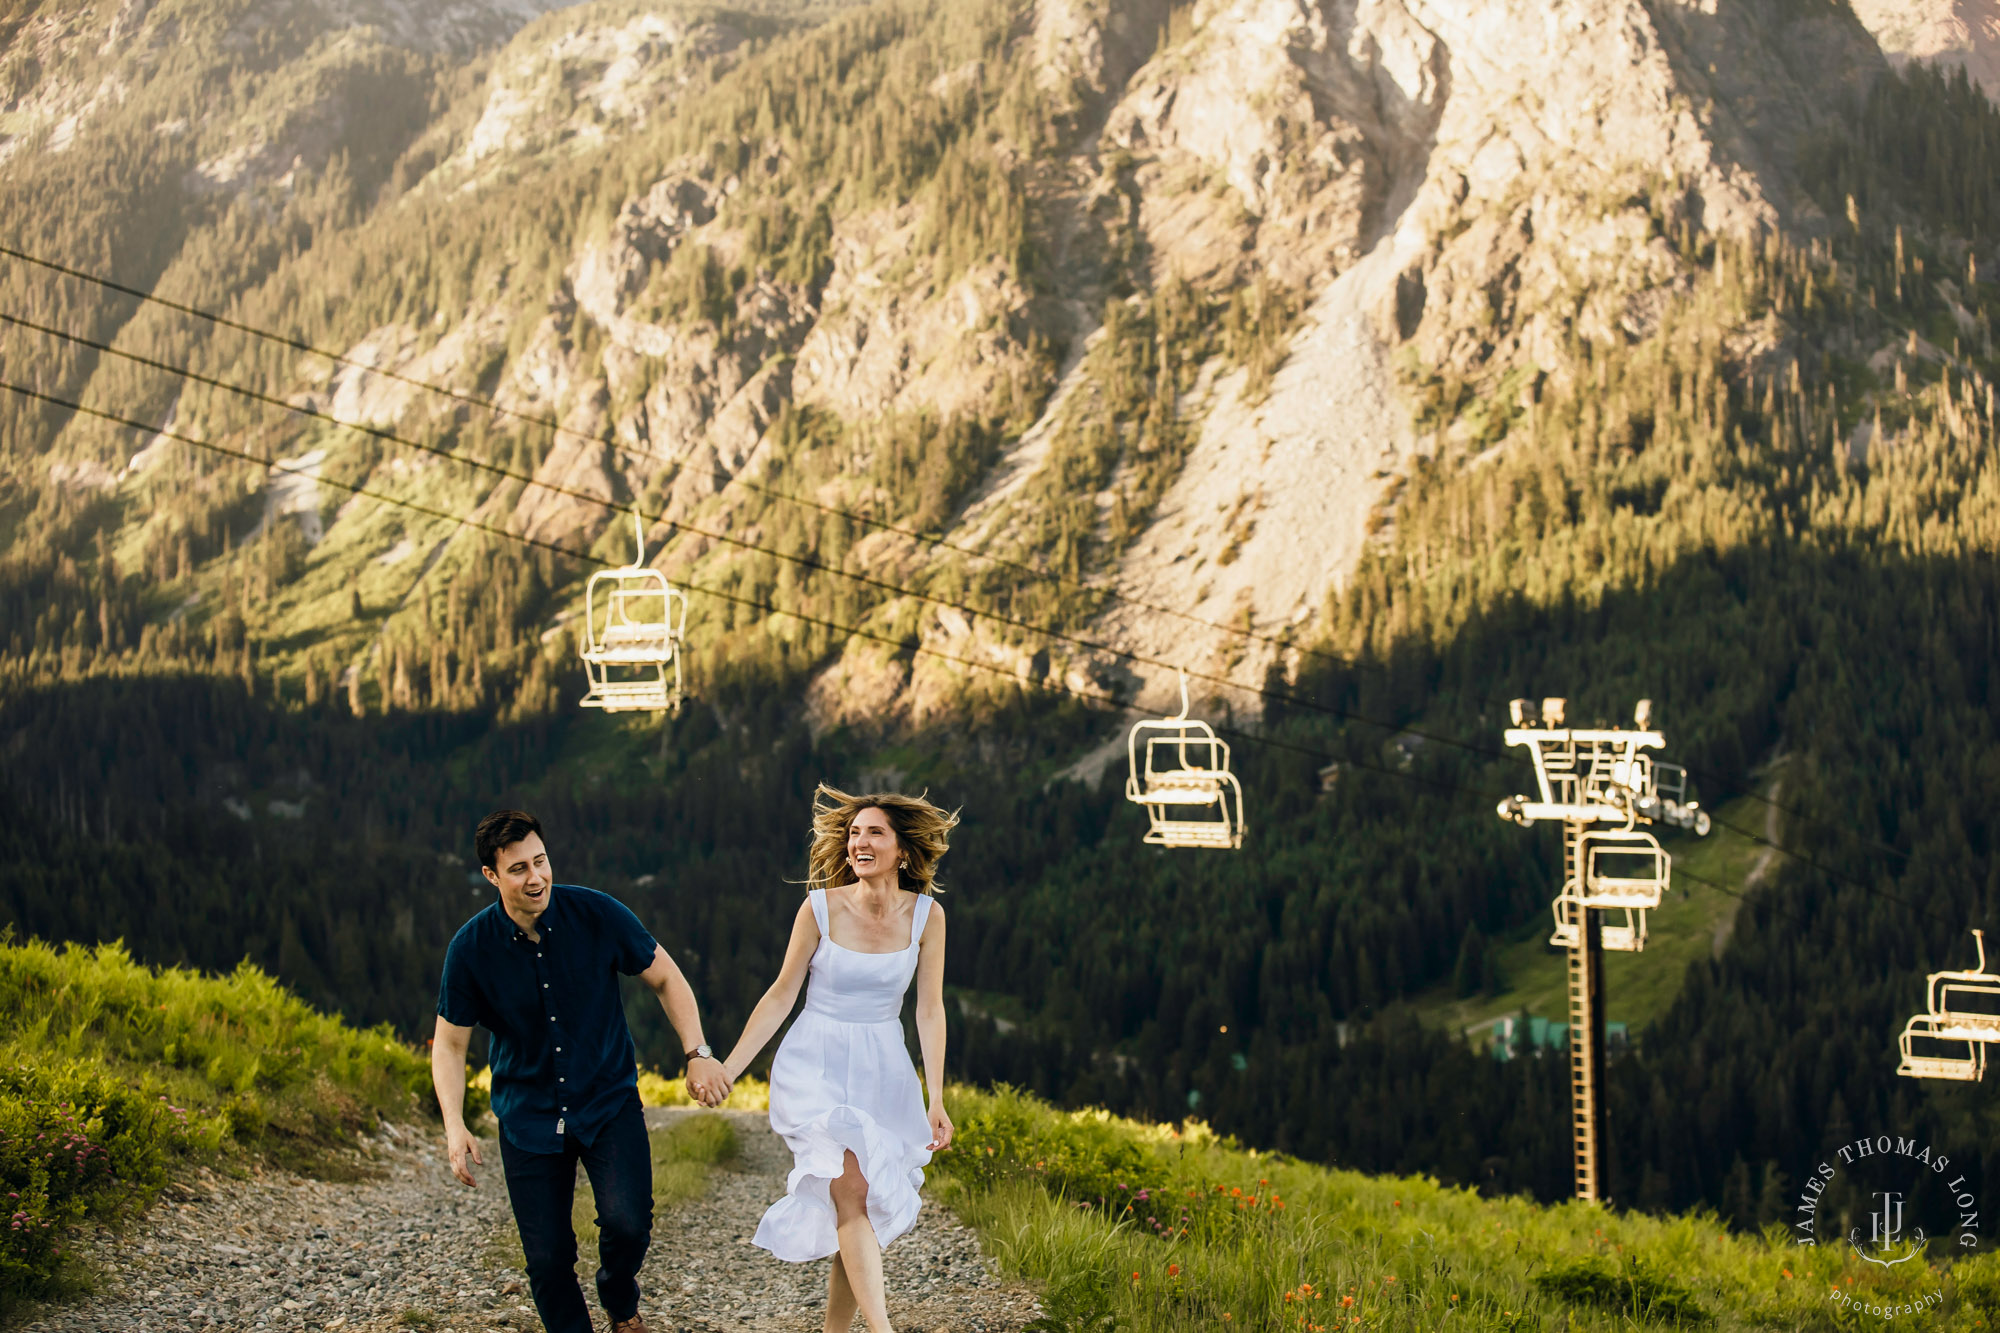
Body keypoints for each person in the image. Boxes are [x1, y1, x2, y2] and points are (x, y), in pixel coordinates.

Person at [430, 810, 731, 1333]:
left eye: (541, 861)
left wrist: (696, 1052)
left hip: (608, 1102)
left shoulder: (597, 913)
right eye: (519, 868)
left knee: (628, 1223)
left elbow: (667, 977)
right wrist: (455, 1125)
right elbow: (451, 1045)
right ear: (491, 876)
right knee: (547, 1261)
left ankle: (618, 1297)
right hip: (527, 1117)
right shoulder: (471, 949)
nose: (536, 877)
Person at [719, 785, 957, 1333]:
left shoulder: (928, 917)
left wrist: (936, 1098)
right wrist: (731, 1068)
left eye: (875, 832)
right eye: (854, 833)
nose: (860, 842)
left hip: (884, 1067)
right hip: (817, 1061)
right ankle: (883, 1329)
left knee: (860, 1203)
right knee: (850, 1184)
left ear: (902, 850)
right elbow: (781, 994)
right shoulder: (819, 907)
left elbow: (929, 1010)